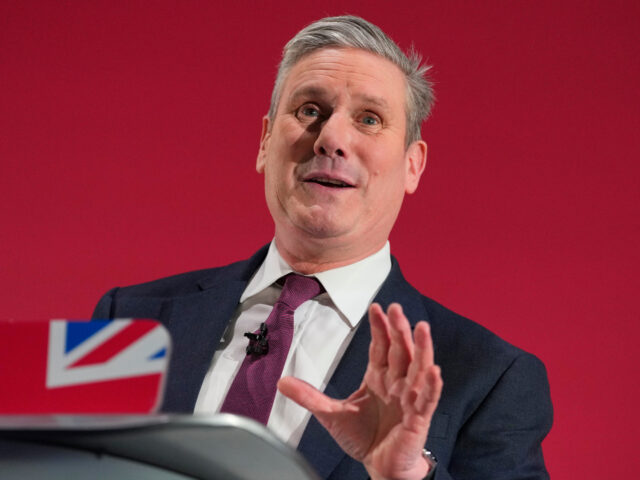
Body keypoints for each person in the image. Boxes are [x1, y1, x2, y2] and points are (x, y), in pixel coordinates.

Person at [93, 15, 553, 480]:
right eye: (310, 110)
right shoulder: (131, 321)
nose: (332, 139)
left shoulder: (488, 375)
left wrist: (410, 475)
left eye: (369, 119)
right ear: (265, 141)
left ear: (413, 166)